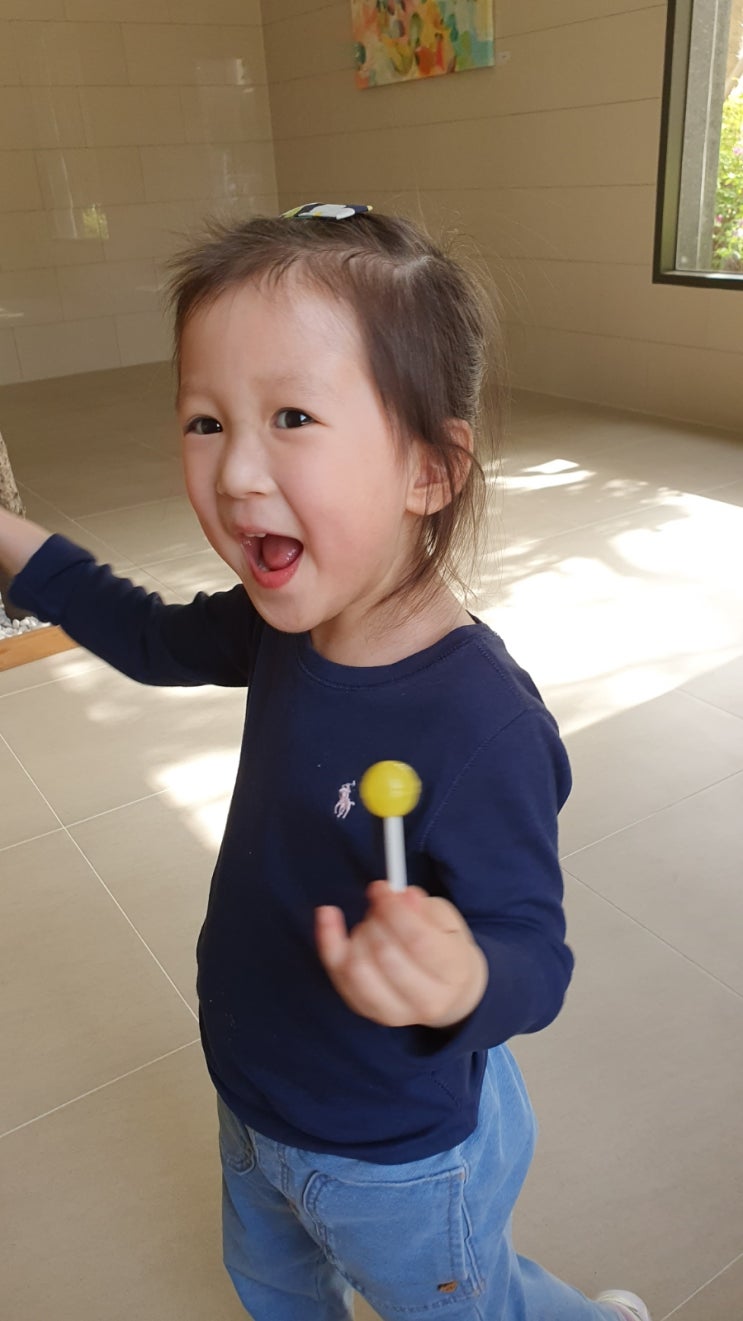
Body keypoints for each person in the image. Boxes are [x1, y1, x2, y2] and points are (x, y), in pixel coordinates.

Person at [0, 207, 651, 1321]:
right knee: (270, 1284)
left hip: (395, 1155)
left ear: (429, 469)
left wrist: (463, 980)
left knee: (472, 1307)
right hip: (253, 1093)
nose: (235, 470)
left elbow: (533, 958)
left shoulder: (480, 721)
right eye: (205, 420)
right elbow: (148, 635)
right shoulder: (279, 621)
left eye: (291, 416)